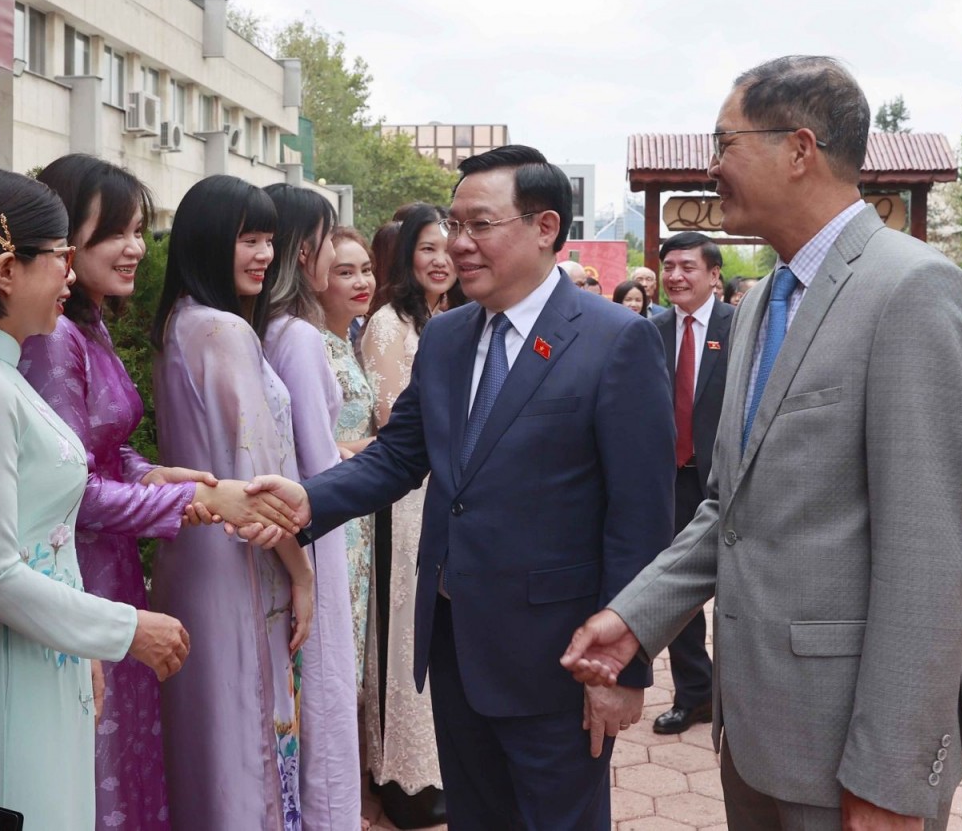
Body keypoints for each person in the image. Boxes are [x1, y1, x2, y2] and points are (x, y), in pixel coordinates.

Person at [563, 55, 962, 830]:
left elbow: (931, 558)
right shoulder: (764, 300)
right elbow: (732, 504)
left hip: (853, 755)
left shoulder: (912, 289)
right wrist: (636, 616)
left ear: (799, 149)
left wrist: (890, 778)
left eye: (725, 142)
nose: (710, 165)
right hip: (755, 733)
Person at [248, 145, 675, 829]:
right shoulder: (447, 338)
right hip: (455, 647)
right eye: (454, 222)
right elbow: (398, 456)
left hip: (559, 657)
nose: (456, 243)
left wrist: (626, 667)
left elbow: (641, 519)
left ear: (544, 227)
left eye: (479, 224)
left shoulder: (614, 340)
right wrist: (309, 500)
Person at [21, 154, 293, 830]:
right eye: (115, 230)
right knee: (102, 769)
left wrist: (153, 474)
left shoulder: (88, 324)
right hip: (79, 574)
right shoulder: (56, 338)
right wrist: (190, 502)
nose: (136, 247)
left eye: (141, 228)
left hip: (114, 571)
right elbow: (71, 490)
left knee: (132, 761)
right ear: (62, 238)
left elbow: (104, 452)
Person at [0, 169, 202, 831]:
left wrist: (83, 644)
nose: (70, 276)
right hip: (5, 668)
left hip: (42, 650)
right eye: (59, 257)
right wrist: (121, 630)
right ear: (5, 271)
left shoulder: (0, 373)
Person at [149, 174, 315, 831]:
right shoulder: (224, 331)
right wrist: (303, 576)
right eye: (249, 238)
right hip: (239, 565)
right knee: (247, 735)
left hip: (187, 559)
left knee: (206, 738)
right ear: (211, 241)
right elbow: (261, 481)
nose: (264, 255)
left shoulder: (178, 323)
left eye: (270, 240)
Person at [260, 182, 361, 830]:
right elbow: (315, 460)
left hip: (289, 528)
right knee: (323, 698)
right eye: (328, 242)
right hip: (314, 530)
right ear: (304, 251)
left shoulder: (268, 327)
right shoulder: (296, 335)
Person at [357, 203, 456, 828]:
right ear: (405, 257)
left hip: (448, 494)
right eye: (428, 249)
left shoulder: (456, 315)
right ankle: (404, 779)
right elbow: (395, 418)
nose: (441, 259)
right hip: (406, 496)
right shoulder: (389, 323)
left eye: (450, 247)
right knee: (404, 633)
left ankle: (443, 767)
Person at [648, 232, 734, 736]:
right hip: (668, 480)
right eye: (670, 267)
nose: (676, 276)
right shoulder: (648, 330)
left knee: (735, 593)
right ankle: (693, 694)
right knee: (677, 591)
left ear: (714, 274)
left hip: (724, 482)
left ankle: (738, 699)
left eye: (688, 267)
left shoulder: (741, 327)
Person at [319, 226, 378, 693]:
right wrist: (384, 447)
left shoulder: (349, 337)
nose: (362, 281)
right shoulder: (311, 345)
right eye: (345, 272)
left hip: (362, 502)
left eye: (366, 269)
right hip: (335, 504)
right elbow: (319, 446)